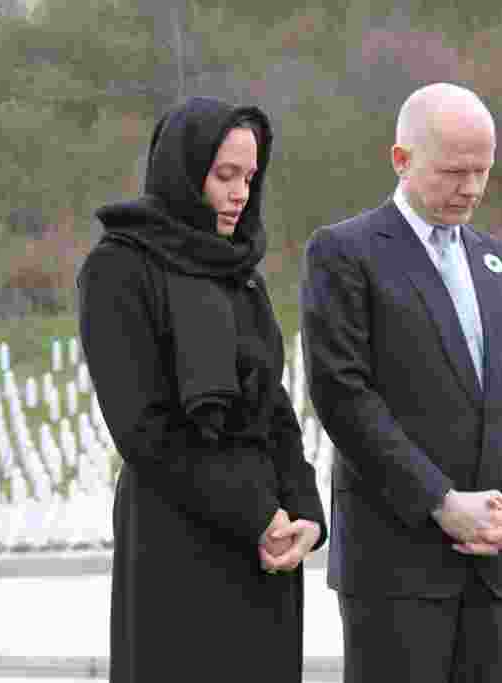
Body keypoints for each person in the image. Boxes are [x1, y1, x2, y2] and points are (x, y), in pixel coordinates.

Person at [300, 82, 502, 683]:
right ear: (402, 159)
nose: (470, 188)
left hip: (490, 562)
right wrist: (441, 502)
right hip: (395, 566)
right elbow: (342, 393)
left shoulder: (501, 262)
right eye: (453, 171)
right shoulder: (345, 252)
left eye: (482, 171)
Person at [78, 97, 326, 683]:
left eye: (250, 177)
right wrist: (255, 511)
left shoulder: (238, 270)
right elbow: (142, 428)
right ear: (184, 172)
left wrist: (306, 514)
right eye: (225, 175)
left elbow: (274, 407)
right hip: (177, 537)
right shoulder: (118, 269)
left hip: (265, 545)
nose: (241, 193)